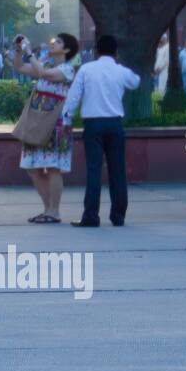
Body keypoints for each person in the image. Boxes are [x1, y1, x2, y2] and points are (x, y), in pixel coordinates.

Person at [62, 34, 140, 227]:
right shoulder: (120, 71)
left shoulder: (87, 69)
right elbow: (136, 82)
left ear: (96, 51)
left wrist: (67, 118)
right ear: (116, 52)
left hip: (93, 125)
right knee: (117, 170)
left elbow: (73, 96)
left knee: (94, 170)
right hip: (115, 124)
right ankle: (118, 215)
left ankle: (91, 216)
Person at [7, 32, 79, 223]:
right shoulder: (45, 64)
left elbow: (45, 75)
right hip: (37, 123)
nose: (53, 43)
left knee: (53, 167)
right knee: (32, 167)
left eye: (58, 42)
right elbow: (20, 67)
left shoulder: (67, 70)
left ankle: (54, 211)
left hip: (57, 125)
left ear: (67, 49)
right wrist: (18, 50)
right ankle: (48, 209)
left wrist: (30, 52)